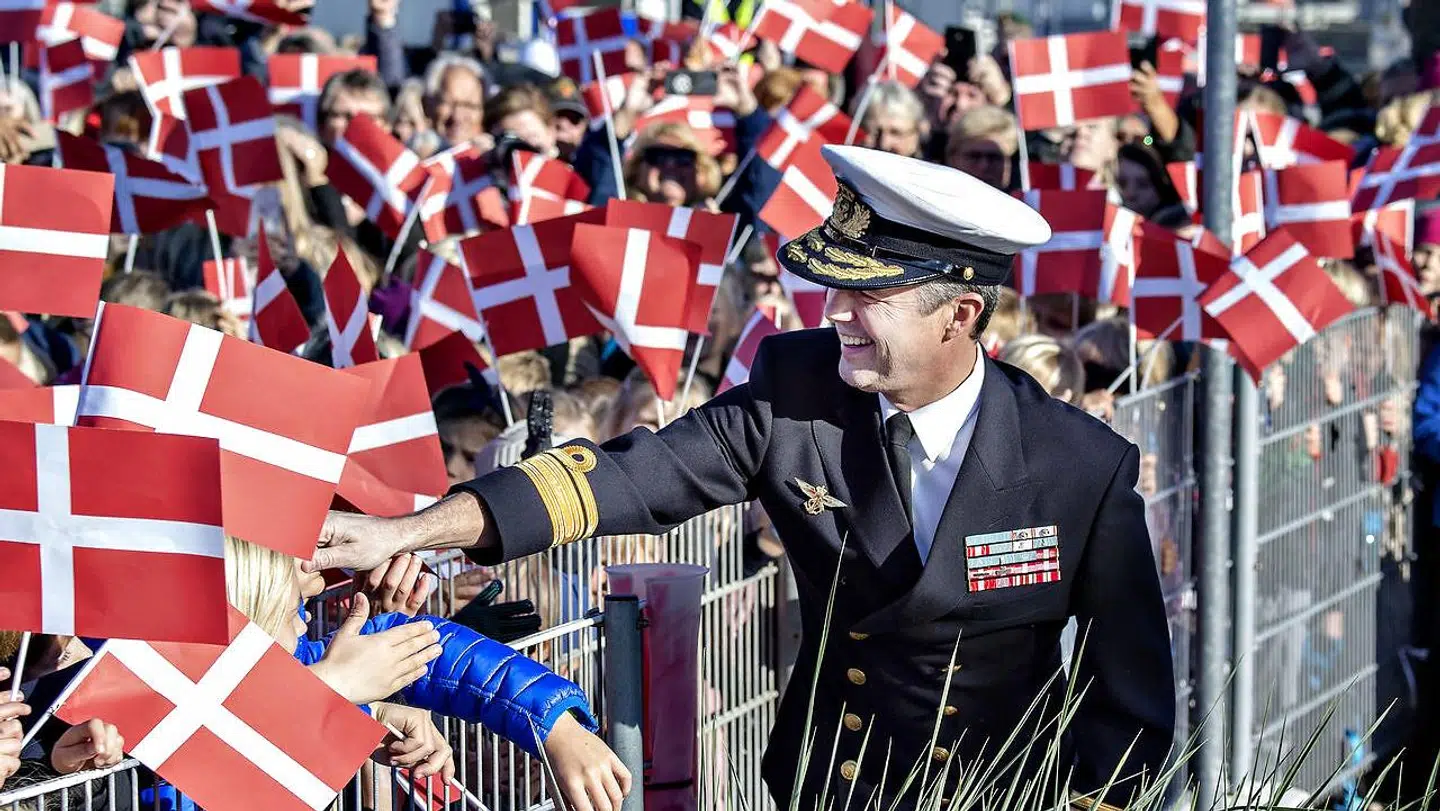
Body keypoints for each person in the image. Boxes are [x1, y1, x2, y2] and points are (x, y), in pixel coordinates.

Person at [306, 145, 1177, 810]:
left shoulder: (1078, 467)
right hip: (832, 785)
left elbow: (1129, 706)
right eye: (834, 290)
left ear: (961, 313)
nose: (833, 313)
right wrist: (412, 529)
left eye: (865, 296)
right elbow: (625, 479)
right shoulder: (797, 387)